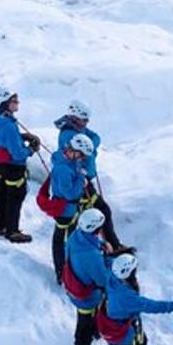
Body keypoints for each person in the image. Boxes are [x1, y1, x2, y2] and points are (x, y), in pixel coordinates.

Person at [54, 99, 123, 249]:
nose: (86, 122)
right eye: (84, 119)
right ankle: (108, 246)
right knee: (98, 212)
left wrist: (89, 147)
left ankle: (108, 245)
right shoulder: (69, 134)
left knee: (98, 212)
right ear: (74, 117)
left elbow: (96, 138)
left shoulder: (79, 129)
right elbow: (77, 156)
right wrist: (82, 171)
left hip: (84, 178)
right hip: (80, 180)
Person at [63, 208, 111, 345]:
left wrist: (100, 245)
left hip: (75, 286)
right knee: (83, 329)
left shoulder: (75, 237)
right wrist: (108, 257)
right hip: (87, 297)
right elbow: (103, 280)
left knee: (86, 322)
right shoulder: (91, 256)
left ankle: (95, 330)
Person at [0, 88, 40, 243]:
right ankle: (12, 231)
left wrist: (22, 136)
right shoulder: (8, 125)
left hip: (2, 165)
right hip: (13, 166)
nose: (17, 103)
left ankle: (0, 226)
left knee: (2, 194)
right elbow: (17, 153)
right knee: (15, 197)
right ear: (5, 104)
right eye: (14, 101)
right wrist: (31, 150)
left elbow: (4, 139)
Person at [48, 133, 95, 284]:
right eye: (81, 155)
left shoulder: (66, 160)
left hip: (68, 208)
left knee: (65, 238)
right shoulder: (63, 169)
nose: (82, 159)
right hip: (66, 209)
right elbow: (70, 193)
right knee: (63, 238)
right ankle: (62, 271)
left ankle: (66, 269)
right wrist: (81, 178)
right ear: (74, 151)